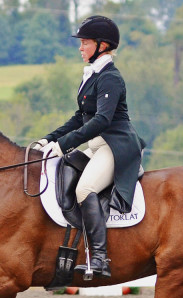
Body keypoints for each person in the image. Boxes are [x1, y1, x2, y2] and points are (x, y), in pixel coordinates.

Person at [35, 15, 145, 279]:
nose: (80, 48)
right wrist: (49, 139)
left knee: (86, 188)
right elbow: (79, 117)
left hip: (115, 146)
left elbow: (101, 121)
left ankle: (99, 259)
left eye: (85, 43)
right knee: (64, 171)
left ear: (102, 45)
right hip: (98, 146)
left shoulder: (110, 78)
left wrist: (64, 145)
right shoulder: (93, 75)